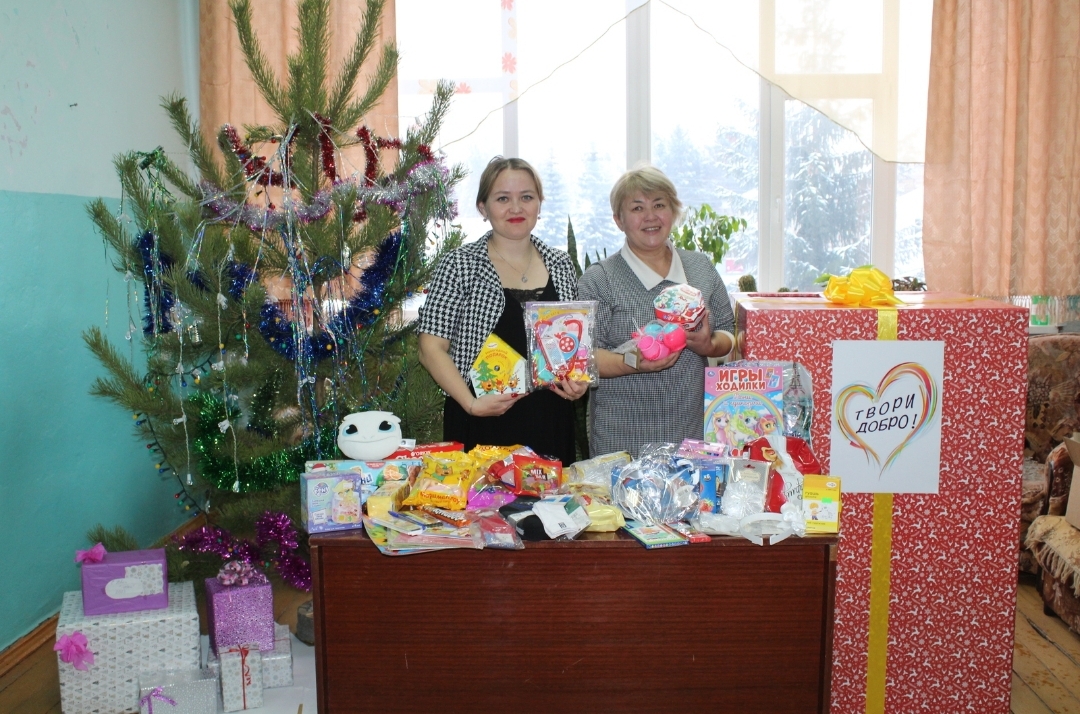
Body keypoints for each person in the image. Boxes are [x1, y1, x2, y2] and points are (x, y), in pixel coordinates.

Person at [417, 157, 587, 465]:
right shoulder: (460, 265)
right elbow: (430, 349)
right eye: (503, 199)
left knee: (551, 498)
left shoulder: (561, 264)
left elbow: (572, 347)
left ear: (539, 203)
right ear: (483, 208)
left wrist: (577, 383)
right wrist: (471, 404)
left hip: (550, 423)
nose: (516, 208)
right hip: (480, 420)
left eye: (527, 197)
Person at [576, 165, 735, 457]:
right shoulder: (599, 279)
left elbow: (729, 330)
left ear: (673, 211)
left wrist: (708, 345)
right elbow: (584, 358)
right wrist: (633, 362)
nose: (650, 216)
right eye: (637, 208)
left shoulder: (700, 267)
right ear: (619, 220)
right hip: (621, 440)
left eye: (659, 205)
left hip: (691, 434)